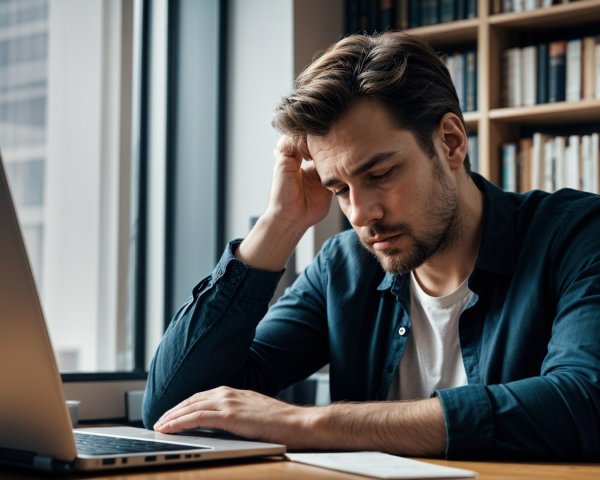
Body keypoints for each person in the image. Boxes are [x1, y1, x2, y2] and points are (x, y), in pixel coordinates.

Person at [142, 32, 600, 460]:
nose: (359, 213)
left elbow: (583, 402)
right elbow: (173, 409)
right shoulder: (344, 267)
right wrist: (278, 226)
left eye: (379, 175)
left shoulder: (577, 234)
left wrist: (313, 424)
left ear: (451, 142)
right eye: (339, 188)